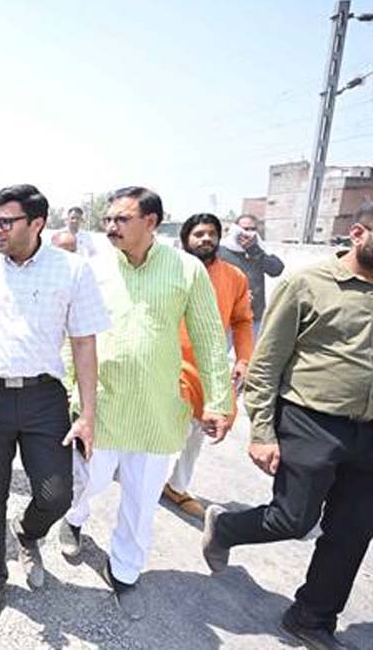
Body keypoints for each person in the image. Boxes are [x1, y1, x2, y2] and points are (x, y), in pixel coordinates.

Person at [202, 203, 373, 650]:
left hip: (370, 433)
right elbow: (266, 363)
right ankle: (226, 528)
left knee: (354, 530)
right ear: (358, 233)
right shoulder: (309, 283)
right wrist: (261, 431)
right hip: (310, 420)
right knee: (293, 519)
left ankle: (311, 618)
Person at [60, 187, 232, 621]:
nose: (110, 227)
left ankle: (124, 573)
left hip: (156, 410)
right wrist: (67, 391)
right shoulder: (94, 269)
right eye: (108, 219)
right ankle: (74, 519)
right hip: (101, 405)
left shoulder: (186, 270)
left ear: (151, 222)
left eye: (121, 219)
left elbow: (210, 337)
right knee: (87, 481)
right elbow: (74, 334)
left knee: (140, 502)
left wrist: (218, 400)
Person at [0, 184, 109, 629]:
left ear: (37, 223)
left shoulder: (71, 269)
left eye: (5, 221)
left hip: (44, 398)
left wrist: (88, 414)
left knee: (57, 494)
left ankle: (27, 532)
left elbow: (84, 342)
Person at [162, 213, 253, 518]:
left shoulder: (234, 277)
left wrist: (243, 359)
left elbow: (243, 321)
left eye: (211, 234)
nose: (206, 239)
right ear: (185, 239)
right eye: (199, 234)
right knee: (158, 425)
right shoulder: (167, 270)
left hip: (205, 367)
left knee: (199, 429)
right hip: (163, 361)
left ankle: (176, 486)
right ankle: (140, 478)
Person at [219, 214, 284, 339]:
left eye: (252, 229)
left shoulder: (259, 251)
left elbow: (276, 270)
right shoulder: (221, 252)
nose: (248, 233)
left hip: (253, 317)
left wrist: (253, 250)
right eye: (244, 229)